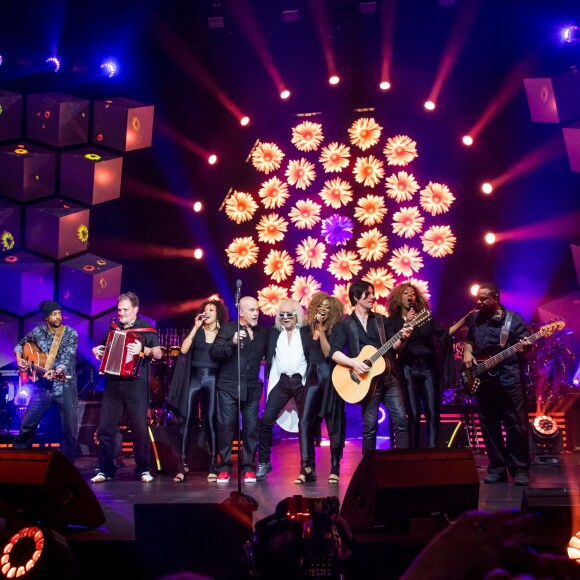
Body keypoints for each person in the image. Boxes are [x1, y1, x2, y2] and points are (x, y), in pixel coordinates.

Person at [330, 280, 412, 462]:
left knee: (400, 421)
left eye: (373, 293)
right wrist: (353, 363)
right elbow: (334, 353)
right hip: (366, 382)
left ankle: (405, 464)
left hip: (389, 378)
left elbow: (396, 348)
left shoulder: (381, 321)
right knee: (369, 427)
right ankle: (368, 468)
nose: (373, 297)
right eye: (368, 294)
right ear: (356, 297)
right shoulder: (345, 325)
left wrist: (404, 337)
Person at [387, 283, 476, 448]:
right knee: (413, 413)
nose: (410, 296)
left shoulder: (425, 317)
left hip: (428, 368)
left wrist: (464, 320)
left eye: (413, 294)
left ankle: (433, 451)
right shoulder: (392, 321)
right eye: (405, 293)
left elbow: (443, 334)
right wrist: (407, 323)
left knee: (433, 412)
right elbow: (395, 347)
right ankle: (413, 452)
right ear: (398, 298)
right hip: (408, 368)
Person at [462, 282, 533, 486]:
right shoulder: (476, 319)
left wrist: (526, 347)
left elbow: (526, 347)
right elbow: (469, 343)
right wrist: (467, 353)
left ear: (496, 298)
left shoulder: (514, 319)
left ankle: (519, 469)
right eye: (478, 298)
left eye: (484, 298)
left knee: (516, 425)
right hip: (484, 381)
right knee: (489, 425)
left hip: (509, 380)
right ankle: (497, 469)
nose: (479, 301)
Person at [91, 291, 162, 483]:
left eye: (125, 309)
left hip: (136, 386)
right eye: (119, 309)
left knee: (139, 428)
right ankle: (105, 470)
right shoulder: (113, 328)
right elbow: (105, 348)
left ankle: (143, 469)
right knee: (106, 428)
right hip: (113, 384)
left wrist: (142, 350)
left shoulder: (146, 329)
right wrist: (97, 350)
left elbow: (158, 354)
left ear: (135, 310)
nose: (120, 313)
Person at [168, 299, 229, 483]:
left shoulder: (222, 334)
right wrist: (194, 328)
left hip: (212, 379)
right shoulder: (198, 331)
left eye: (211, 309)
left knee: (210, 421)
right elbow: (184, 350)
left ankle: (212, 465)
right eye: (205, 309)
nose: (208, 312)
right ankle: (183, 464)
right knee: (187, 420)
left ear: (218, 313)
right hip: (194, 379)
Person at [210, 295, 268, 483]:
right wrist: (232, 342)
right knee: (226, 428)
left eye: (257, 309)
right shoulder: (228, 329)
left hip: (251, 387)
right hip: (228, 386)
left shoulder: (262, 332)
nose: (256, 313)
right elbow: (215, 353)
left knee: (251, 428)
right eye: (252, 310)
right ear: (241, 312)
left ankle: (249, 467)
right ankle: (224, 467)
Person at [13, 300, 78, 464]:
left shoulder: (70, 333)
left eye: (59, 314)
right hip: (42, 388)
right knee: (27, 425)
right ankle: (16, 460)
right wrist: (19, 359)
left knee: (69, 430)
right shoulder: (37, 332)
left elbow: (67, 357)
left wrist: (59, 371)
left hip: (65, 386)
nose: (58, 317)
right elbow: (20, 344)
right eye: (54, 314)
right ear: (46, 317)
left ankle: (67, 465)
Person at [256, 298, 309, 482]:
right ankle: (263, 461)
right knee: (267, 419)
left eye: (289, 314)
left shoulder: (305, 332)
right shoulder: (274, 333)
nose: (285, 318)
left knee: (306, 423)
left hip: (300, 381)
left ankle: (307, 465)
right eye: (282, 314)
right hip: (282, 381)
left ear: (297, 316)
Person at [298, 292, 345, 484]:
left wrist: (322, 331)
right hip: (312, 379)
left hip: (331, 379)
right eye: (320, 306)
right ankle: (307, 466)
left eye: (327, 307)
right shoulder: (306, 331)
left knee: (333, 424)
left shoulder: (336, 330)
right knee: (304, 422)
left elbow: (328, 352)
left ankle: (335, 467)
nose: (323, 310)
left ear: (332, 311)